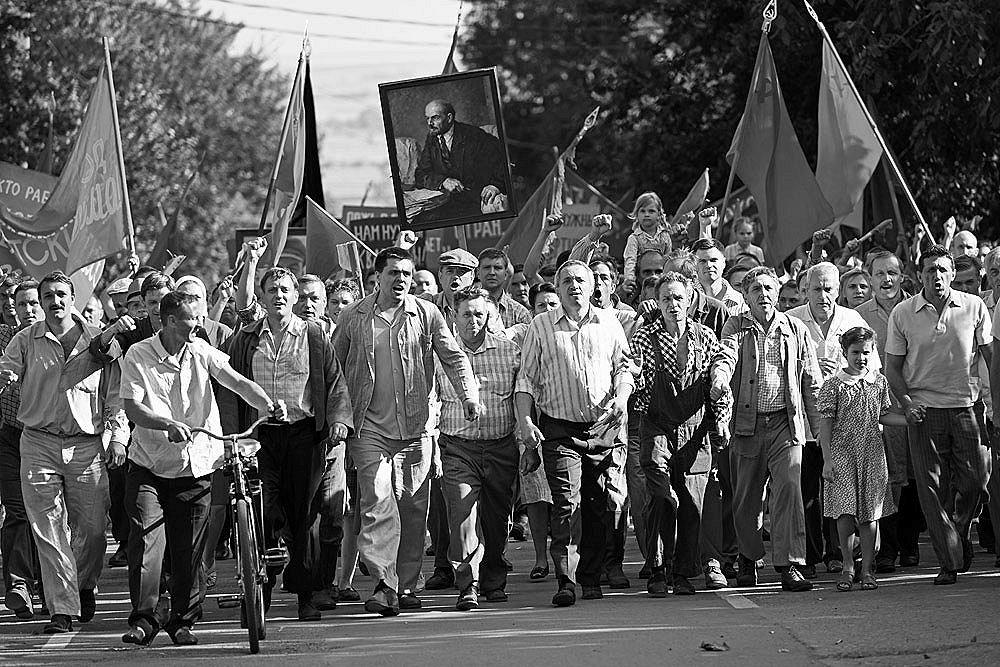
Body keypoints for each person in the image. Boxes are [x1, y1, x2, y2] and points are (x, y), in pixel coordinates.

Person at [117, 291, 287, 646]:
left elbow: (237, 382)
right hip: (149, 465)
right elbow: (132, 407)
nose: (197, 324)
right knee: (148, 542)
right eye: (190, 318)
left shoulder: (201, 351)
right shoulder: (139, 354)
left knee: (190, 550)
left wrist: (269, 405)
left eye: (198, 317)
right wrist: (166, 424)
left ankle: (182, 621)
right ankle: (145, 620)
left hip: (196, 466)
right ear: (168, 321)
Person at [333, 246, 479, 616]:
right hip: (368, 428)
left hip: (415, 428)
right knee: (378, 502)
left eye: (407, 274)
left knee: (413, 509)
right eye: (393, 273)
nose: (401, 280)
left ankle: (406, 585)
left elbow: (453, 356)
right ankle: (384, 584)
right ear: (377, 277)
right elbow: (334, 370)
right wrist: (337, 416)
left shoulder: (426, 313)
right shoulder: (354, 316)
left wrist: (469, 395)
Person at [219, 266, 354, 620]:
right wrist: (233, 437)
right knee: (261, 511)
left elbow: (334, 381)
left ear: (295, 297)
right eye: (272, 290)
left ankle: (305, 594)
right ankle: (258, 588)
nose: (278, 295)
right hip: (260, 438)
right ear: (261, 298)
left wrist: (339, 421)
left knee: (304, 516)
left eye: (285, 290)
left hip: (303, 434)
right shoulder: (245, 340)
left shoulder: (313, 335)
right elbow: (231, 390)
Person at [0, 271, 129, 633]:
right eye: (47, 296)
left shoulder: (98, 341)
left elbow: (115, 395)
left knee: (92, 531)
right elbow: (5, 371)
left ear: (72, 299)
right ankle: (62, 609)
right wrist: (6, 379)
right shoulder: (25, 341)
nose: (54, 302)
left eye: (61, 295)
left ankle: (84, 583)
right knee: (48, 528)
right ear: (39, 303)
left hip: (86, 444)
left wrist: (118, 437)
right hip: (38, 441)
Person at [517, 260, 634, 606]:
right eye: (566, 280)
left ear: (592, 285)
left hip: (603, 426)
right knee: (567, 504)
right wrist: (526, 421)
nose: (574, 286)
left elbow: (624, 367)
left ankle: (591, 576)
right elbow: (526, 379)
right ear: (558, 286)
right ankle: (566, 580)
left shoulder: (609, 322)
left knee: (599, 505)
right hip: (559, 428)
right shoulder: (540, 325)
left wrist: (623, 398)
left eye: (580, 280)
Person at [710, 266, 821, 593]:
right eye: (756, 289)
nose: (764, 295)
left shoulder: (795, 328)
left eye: (769, 288)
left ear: (778, 292)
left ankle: (789, 565)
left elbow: (812, 382)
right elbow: (725, 355)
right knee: (746, 498)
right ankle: (748, 557)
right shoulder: (737, 325)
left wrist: (820, 435)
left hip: (786, 426)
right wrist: (718, 378)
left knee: (789, 489)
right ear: (746, 295)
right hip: (747, 424)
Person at [888, 245, 991, 585]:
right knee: (932, 490)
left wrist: (995, 403)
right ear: (920, 275)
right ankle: (948, 561)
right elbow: (893, 368)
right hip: (924, 412)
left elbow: (991, 355)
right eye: (930, 270)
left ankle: (959, 534)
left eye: (943, 270)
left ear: (952, 273)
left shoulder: (974, 306)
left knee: (976, 483)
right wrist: (905, 402)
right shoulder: (903, 313)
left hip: (967, 408)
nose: (937, 277)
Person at [631, 272, 729, 596]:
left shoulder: (705, 337)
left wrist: (722, 421)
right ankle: (658, 569)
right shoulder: (644, 337)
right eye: (666, 299)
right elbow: (636, 384)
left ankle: (684, 573)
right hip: (658, 424)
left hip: (695, 429)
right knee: (661, 495)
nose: (672, 305)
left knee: (691, 502)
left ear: (688, 302)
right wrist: (636, 385)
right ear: (657, 303)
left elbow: (719, 386)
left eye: (678, 299)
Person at [787, 262, 877, 578]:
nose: (823, 295)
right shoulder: (792, 321)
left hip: (847, 426)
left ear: (837, 290)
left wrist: (839, 371)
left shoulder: (853, 319)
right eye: (816, 288)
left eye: (828, 288)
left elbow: (872, 368)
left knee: (842, 493)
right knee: (807, 491)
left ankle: (840, 554)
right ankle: (809, 556)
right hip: (806, 421)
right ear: (804, 291)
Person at [435, 288, 521, 610]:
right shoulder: (440, 355)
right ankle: (466, 585)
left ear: (490, 316)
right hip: (458, 447)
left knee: (497, 519)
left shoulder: (509, 352)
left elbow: (523, 397)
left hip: (501, 447)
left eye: (479, 314)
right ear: (454, 317)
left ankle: (494, 580)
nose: (473, 321)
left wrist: (526, 442)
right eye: (466, 314)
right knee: (462, 514)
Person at [819, 326, 912, 593]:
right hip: (842, 454)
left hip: (872, 454)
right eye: (855, 352)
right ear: (845, 352)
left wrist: (908, 420)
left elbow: (883, 415)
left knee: (870, 514)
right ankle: (848, 565)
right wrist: (827, 459)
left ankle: (868, 569)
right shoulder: (833, 385)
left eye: (866, 352)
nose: (861, 357)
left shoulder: (878, 381)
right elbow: (825, 425)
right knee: (845, 512)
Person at [855, 250, 925, 572]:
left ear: (902, 277)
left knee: (916, 473)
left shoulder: (917, 308)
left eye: (892, 273)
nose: (886, 280)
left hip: (915, 401)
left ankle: (912, 544)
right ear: (869, 278)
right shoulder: (858, 316)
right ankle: (888, 550)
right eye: (879, 273)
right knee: (888, 478)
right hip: (876, 410)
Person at [420, 248, 480, 591]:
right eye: (447, 271)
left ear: (472, 276)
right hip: (432, 410)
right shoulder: (424, 308)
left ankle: (484, 563)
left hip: (472, 415)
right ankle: (443, 562)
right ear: (439, 276)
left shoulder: (484, 309)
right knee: (438, 494)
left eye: (461, 271)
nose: (454, 277)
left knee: (468, 497)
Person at [0, 279, 43, 620]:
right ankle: (18, 586)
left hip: (49, 438)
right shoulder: (5, 341)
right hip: (10, 437)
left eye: (34, 303)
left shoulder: (63, 339)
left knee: (48, 515)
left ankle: (53, 583)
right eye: (22, 304)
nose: (28, 310)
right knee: (16, 511)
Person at [413, 99, 508, 222]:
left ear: (449, 117)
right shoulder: (432, 138)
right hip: (447, 202)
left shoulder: (473, 135)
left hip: (476, 200)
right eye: (427, 118)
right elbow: (421, 174)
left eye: (435, 118)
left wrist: (495, 185)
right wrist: (443, 181)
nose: (430, 123)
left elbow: (505, 159)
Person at [623, 192, 672, 283]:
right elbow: (630, 260)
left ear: (659, 214)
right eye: (642, 211)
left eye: (651, 211)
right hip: (641, 280)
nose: (646, 214)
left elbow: (668, 259)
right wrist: (630, 280)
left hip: (661, 279)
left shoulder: (665, 236)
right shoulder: (634, 238)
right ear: (637, 214)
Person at [477, 248, 531, 328]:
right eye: (487, 267)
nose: (492, 272)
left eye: (497, 268)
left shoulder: (520, 314)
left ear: (506, 274)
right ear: (478, 273)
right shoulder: (465, 308)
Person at [692, 238, 746, 313]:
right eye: (702, 261)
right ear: (694, 264)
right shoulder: (687, 296)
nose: (708, 265)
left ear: (724, 263)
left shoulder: (740, 301)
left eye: (713, 260)